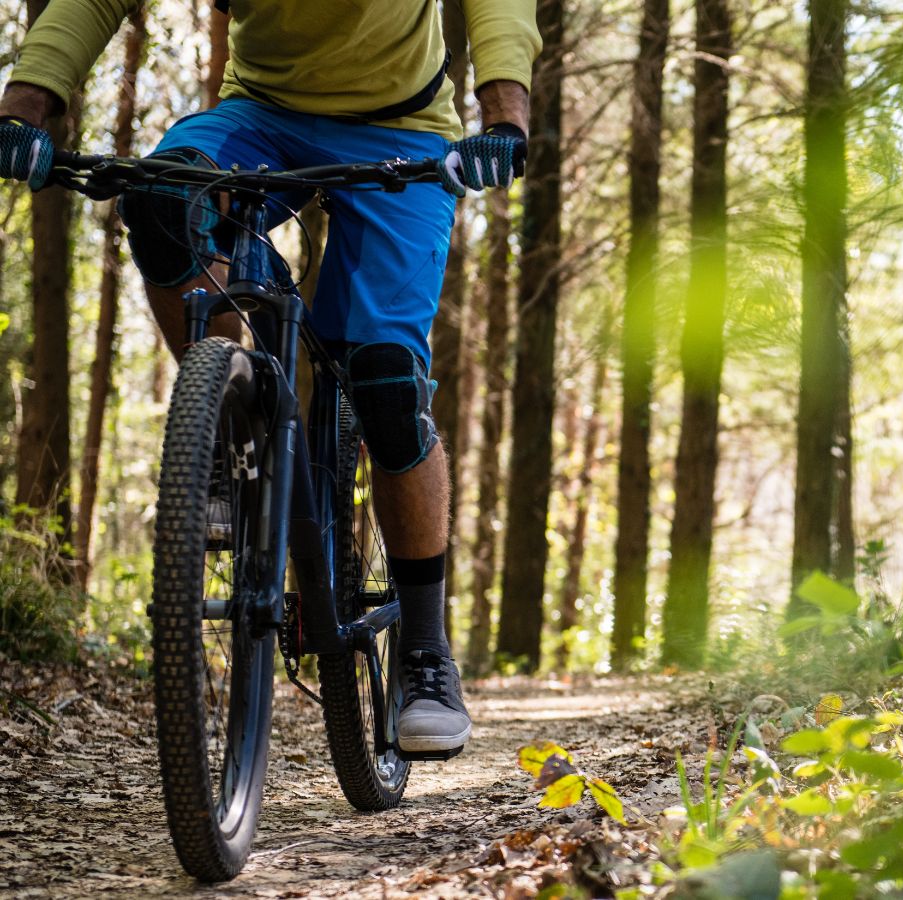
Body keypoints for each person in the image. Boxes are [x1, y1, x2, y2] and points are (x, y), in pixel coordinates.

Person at [0, 0, 540, 755]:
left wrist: (504, 113)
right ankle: (231, 420)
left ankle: (424, 651)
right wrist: (27, 107)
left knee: (385, 382)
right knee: (160, 197)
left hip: (406, 130)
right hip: (258, 117)